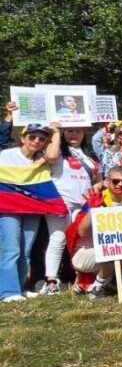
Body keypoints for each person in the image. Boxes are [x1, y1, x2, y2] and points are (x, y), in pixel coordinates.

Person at [0, 123, 60, 301]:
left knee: (26, 250)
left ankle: (19, 287)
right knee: (11, 250)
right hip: (8, 208)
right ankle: (7, 292)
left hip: (32, 208)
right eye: (32, 137)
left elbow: (53, 155)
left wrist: (56, 133)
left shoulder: (41, 159)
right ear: (22, 138)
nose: (37, 141)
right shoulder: (6, 155)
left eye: (42, 138)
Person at [42, 124, 101, 295]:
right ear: (63, 133)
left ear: (84, 133)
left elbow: (98, 178)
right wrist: (54, 132)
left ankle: (82, 280)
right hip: (61, 201)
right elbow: (51, 157)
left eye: (78, 131)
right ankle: (51, 280)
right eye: (69, 131)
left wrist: (96, 188)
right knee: (58, 239)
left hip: (83, 203)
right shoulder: (58, 150)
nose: (74, 134)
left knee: (81, 241)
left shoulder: (90, 155)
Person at [67, 167, 122, 300]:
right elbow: (81, 232)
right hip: (85, 253)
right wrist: (92, 210)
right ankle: (95, 288)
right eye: (116, 181)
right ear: (107, 182)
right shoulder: (98, 199)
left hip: (111, 251)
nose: (120, 184)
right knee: (115, 251)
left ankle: (90, 286)